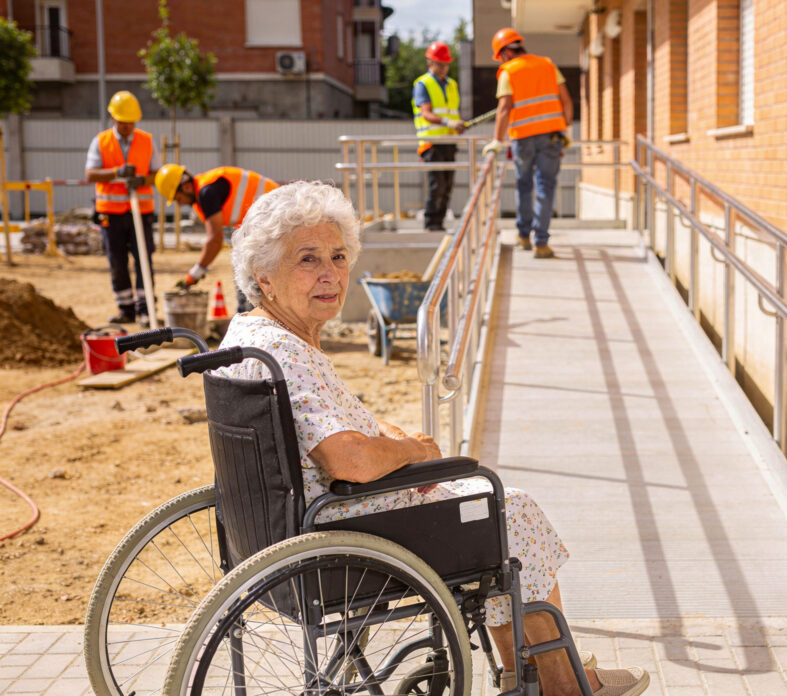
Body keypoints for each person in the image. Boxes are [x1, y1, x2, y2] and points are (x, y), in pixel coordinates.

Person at [217, 180, 649, 696]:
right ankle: (561, 683)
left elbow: (328, 423)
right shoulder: (285, 353)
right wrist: (413, 452)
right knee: (508, 509)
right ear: (264, 277)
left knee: (488, 509)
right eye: (307, 259)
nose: (330, 273)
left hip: (294, 527)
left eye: (337, 255)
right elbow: (350, 460)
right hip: (345, 532)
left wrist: (389, 436)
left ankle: (527, 671)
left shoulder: (251, 338)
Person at [483, 28, 573, 260]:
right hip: (551, 137)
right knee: (546, 186)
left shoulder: (508, 72)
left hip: (522, 139)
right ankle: (541, 243)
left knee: (524, 186)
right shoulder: (547, 65)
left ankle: (523, 236)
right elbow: (566, 101)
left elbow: (504, 109)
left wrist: (497, 141)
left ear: (505, 53)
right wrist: (566, 131)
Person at [154, 163, 278, 312]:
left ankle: (249, 315)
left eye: (178, 199)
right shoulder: (206, 188)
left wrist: (195, 273)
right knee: (245, 272)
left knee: (248, 279)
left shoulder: (207, 192)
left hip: (273, 217)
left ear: (186, 187)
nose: (179, 204)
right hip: (269, 217)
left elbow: (215, 240)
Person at [85, 90, 159, 326]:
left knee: (144, 260)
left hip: (141, 212)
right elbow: (90, 174)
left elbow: (157, 174)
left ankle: (145, 309)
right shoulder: (101, 141)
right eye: (122, 121)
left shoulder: (146, 141)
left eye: (131, 122)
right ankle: (126, 309)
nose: (127, 126)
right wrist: (116, 172)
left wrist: (142, 179)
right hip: (111, 213)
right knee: (117, 261)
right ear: (113, 118)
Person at [413, 41, 465, 231]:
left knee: (448, 185)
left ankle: (439, 222)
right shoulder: (423, 84)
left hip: (449, 142)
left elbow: (451, 112)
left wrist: (456, 126)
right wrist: (448, 123)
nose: (443, 68)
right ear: (430, 63)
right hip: (432, 143)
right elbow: (426, 114)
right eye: (440, 64)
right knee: (437, 185)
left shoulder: (452, 85)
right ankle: (431, 223)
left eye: (446, 64)